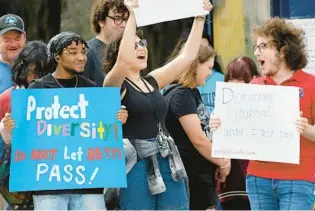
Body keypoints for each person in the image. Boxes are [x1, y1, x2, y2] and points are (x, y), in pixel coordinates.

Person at [102, 0, 214, 209]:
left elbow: (188, 56)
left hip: (166, 157)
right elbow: (124, 61)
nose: (141, 48)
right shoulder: (114, 83)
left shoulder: (152, 81)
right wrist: (133, 15)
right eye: (134, 45)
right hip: (136, 163)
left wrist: (199, 18)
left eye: (142, 44)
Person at [1, 31, 128, 210]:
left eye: (83, 52)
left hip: (88, 184)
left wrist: (117, 119)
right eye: (73, 52)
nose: (81, 57)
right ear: (57, 57)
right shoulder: (38, 88)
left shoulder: (91, 88)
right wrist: (11, 125)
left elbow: (102, 132)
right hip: (47, 186)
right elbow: (24, 136)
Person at [210, 17, 315, 210]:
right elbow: (236, 128)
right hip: (258, 180)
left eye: (263, 46)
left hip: (297, 179)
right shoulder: (255, 86)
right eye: (256, 47)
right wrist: (219, 124)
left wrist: (306, 129)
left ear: (283, 50)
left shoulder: (311, 84)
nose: (257, 52)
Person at [163, 28, 230, 210]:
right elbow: (198, 139)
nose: (210, 73)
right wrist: (222, 161)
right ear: (195, 65)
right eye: (208, 68)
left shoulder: (191, 92)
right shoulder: (181, 95)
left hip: (201, 175)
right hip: (193, 176)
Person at [0, 40, 53, 210]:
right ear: (23, 71)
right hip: (17, 180)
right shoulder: (7, 99)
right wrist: (6, 129)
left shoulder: (60, 100)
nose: (37, 79)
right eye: (32, 73)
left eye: (42, 73)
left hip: (51, 177)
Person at [216, 56, 260, 210]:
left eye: (240, 79)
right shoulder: (222, 105)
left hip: (258, 181)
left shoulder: (264, 107)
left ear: (254, 79)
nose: (234, 85)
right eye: (231, 79)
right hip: (231, 183)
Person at [83, 0, 129, 86]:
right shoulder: (86, 53)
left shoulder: (130, 51)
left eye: (126, 19)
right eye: (117, 19)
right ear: (101, 21)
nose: (124, 25)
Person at [0, 14, 26, 94]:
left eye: (17, 39)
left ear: (24, 37)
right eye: (7, 40)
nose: (13, 44)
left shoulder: (34, 66)